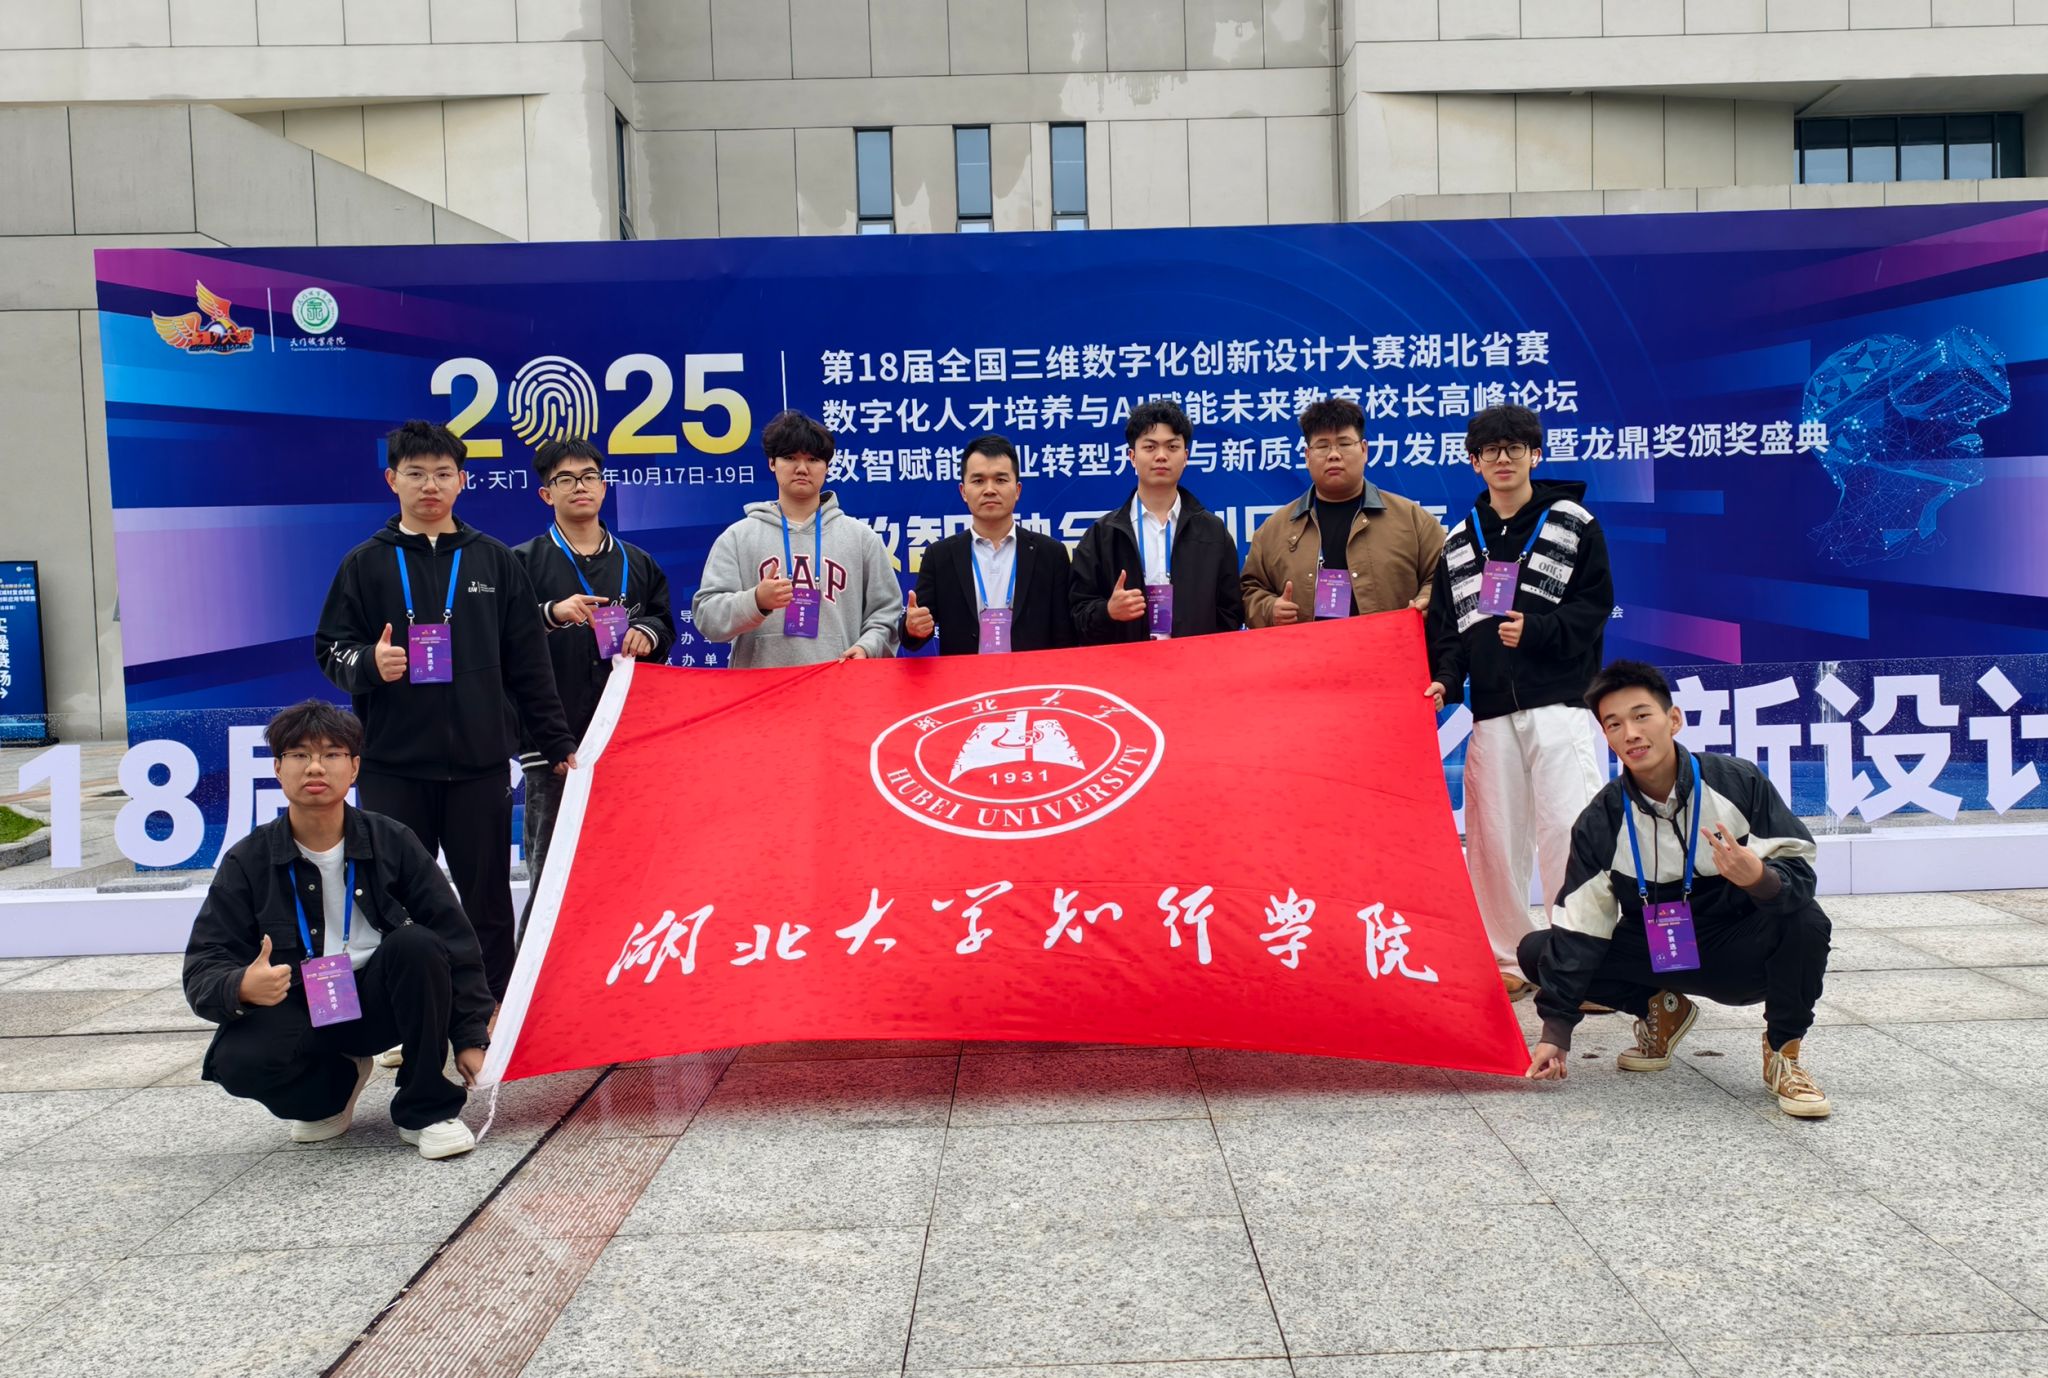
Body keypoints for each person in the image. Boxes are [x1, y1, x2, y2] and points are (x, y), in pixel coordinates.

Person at [314, 420, 578, 1009]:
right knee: (392, 898)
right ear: (392, 481)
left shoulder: (494, 560)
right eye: (416, 474)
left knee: (487, 901)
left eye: (442, 474)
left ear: (462, 481)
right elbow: (331, 648)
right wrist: (369, 662)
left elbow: (529, 664)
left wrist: (556, 742)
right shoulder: (364, 564)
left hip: (480, 765)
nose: (429, 485)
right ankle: (403, 1014)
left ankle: (492, 1015)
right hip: (393, 765)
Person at [182, 701, 495, 1158]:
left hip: (381, 1000)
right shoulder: (248, 860)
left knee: (418, 945)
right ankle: (333, 1090)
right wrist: (241, 986)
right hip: (302, 1005)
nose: (315, 767)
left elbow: (455, 938)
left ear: (354, 767)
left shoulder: (392, 840)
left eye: (331, 754)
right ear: (278, 768)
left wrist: (469, 1036)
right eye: (299, 754)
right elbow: (204, 961)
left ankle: (426, 1107)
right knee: (237, 1062)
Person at [1521, 661, 1833, 1118]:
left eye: (1641, 715)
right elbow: (1580, 928)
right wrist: (1556, 1032)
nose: (1630, 733)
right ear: (1605, 736)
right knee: (1537, 951)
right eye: (1614, 724)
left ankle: (1784, 1054)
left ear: (1674, 719)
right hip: (1657, 949)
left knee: (1805, 919)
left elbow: (1799, 870)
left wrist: (1758, 879)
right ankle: (1660, 1009)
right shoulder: (1602, 820)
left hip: (1736, 950)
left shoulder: (1736, 782)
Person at [1424, 405, 1612, 999]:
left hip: (1560, 705)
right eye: (1490, 450)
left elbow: (1594, 607)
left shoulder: (1573, 522)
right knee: (1493, 841)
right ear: (1473, 462)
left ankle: (1583, 963)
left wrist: (1540, 630)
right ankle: (1507, 957)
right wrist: (1446, 681)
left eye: (1514, 448)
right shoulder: (1460, 539)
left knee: (1570, 832)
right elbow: (1446, 630)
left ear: (1536, 455)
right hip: (1491, 714)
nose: (1502, 459)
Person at [512, 437, 676, 931]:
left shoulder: (638, 562)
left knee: (630, 869)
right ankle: (536, 974)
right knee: (551, 876)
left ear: (604, 488)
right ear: (546, 494)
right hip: (551, 744)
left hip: (626, 742)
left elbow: (665, 623)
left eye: (588, 477)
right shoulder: (521, 563)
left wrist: (648, 632)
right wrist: (549, 613)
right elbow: (500, 636)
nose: (579, 487)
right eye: (565, 479)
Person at [692, 409, 901, 666]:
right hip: (761, 686)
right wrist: (755, 601)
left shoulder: (862, 539)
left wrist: (867, 647)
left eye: (813, 459)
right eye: (790, 457)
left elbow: (886, 614)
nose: (802, 468)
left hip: (839, 684)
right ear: (772, 463)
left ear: (827, 466)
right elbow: (707, 616)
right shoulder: (737, 537)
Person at [1241, 396, 1446, 626]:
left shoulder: (1412, 520)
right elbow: (1249, 590)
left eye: (1344, 444)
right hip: (1309, 649)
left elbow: (1442, 575)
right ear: (1307, 456)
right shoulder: (1274, 530)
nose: (1334, 454)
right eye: (1322, 446)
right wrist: (1270, 609)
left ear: (1364, 450)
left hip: (1390, 646)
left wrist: (1426, 601)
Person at [1071, 398, 1244, 643]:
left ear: (1185, 456)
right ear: (1132, 456)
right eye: (1150, 447)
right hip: (1127, 662)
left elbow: (1230, 610)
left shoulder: (1213, 532)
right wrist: (1107, 612)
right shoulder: (1103, 535)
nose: (1161, 456)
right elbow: (1078, 612)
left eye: (1172, 447)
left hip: (1194, 662)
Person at [901, 434, 1077, 656]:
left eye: (1000, 480)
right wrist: (912, 627)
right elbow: (916, 634)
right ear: (963, 492)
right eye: (978, 481)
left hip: (1033, 676)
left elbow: (1065, 637)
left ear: (1017, 490)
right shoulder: (940, 556)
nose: (990, 489)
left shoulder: (1050, 554)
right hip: (965, 676)